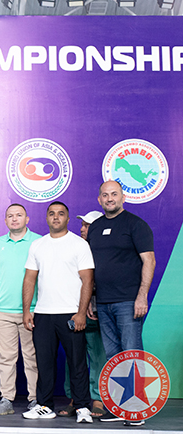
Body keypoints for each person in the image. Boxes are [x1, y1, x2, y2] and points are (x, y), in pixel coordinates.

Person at [86, 180, 155, 426]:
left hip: (129, 302)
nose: (109, 198)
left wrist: (142, 296)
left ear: (123, 197)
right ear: (99, 199)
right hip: (103, 303)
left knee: (131, 353)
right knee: (113, 357)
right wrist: (91, 298)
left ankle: (136, 410)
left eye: (114, 194)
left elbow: (149, 260)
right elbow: (91, 267)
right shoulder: (95, 227)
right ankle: (119, 407)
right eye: (105, 195)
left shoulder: (136, 224)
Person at [21, 202, 94, 424]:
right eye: (52, 214)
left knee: (77, 363)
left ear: (67, 219)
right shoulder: (37, 245)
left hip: (71, 314)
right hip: (43, 314)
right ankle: (44, 405)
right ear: (46, 218)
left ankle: (82, 407)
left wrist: (81, 313)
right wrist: (27, 310)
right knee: (44, 363)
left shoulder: (79, 244)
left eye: (61, 214)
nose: (56, 217)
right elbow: (29, 279)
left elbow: (87, 280)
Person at [0, 204, 41, 415]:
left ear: (27, 219)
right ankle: (6, 399)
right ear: (5, 221)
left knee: (32, 357)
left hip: (32, 310)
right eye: (10, 216)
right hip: (3, 310)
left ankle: (35, 399)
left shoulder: (39, 242)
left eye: (19, 215)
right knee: (6, 358)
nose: (14, 219)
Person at [59, 210, 106, 418]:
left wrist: (89, 299)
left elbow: (104, 278)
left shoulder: (104, 249)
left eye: (87, 226)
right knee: (73, 357)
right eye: (82, 225)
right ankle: (75, 399)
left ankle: (97, 399)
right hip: (73, 310)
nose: (82, 229)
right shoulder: (73, 247)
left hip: (97, 312)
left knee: (97, 357)